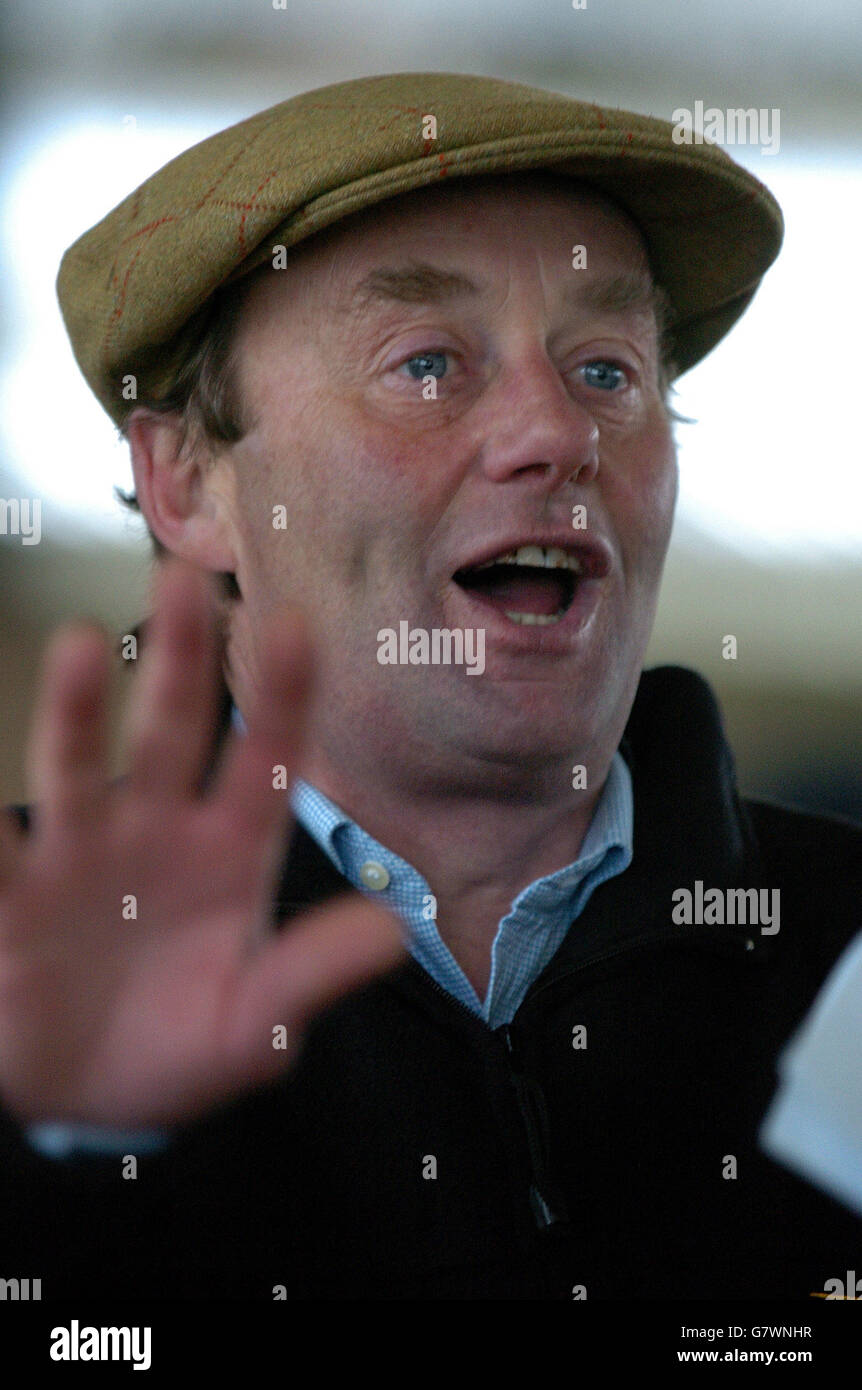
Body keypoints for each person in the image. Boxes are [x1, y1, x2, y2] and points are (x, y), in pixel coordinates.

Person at [1, 71, 859, 1301]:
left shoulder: (845, 961)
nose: (558, 433)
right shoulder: (21, 962)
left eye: (608, 370)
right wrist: (73, 1153)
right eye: (426, 364)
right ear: (191, 481)